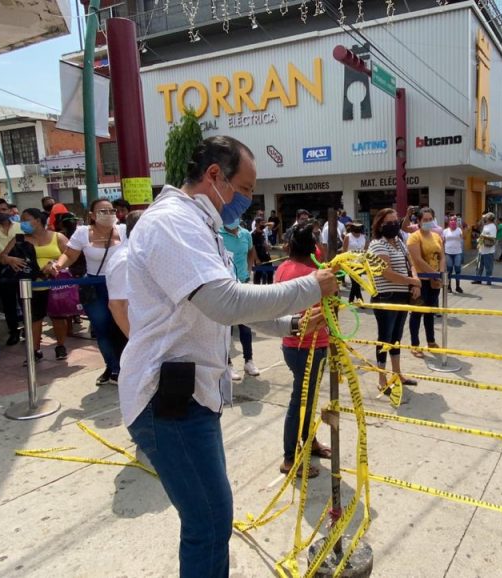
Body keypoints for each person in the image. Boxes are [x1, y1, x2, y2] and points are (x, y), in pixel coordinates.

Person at [119, 135, 337, 576]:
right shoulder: (172, 223)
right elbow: (226, 302)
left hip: (191, 396)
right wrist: (311, 286)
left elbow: (224, 310)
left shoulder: (203, 226)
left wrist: (291, 324)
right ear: (215, 176)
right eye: (246, 188)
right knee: (209, 522)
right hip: (167, 402)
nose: (250, 201)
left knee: (211, 519)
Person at [274, 222, 333, 477]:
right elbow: (326, 309)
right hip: (309, 346)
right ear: (313, 248)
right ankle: (289, 458)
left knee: (306, 401)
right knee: (300, 403)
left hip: (292, 345)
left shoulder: (283, 268)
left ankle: (311, 442)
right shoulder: (312, 275)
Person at [49, 199, 128, 386]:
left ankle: (127, 367)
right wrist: (58, 265)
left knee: (123, 327)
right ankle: (113, 367)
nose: (108, 214)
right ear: (91, 215)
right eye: (102, 211)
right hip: (95, 287)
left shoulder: (125, 230)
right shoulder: (83, 233)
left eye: (111, 210)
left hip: (123, 286)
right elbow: (69, 254)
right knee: (102, 328)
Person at [0, 208, 72, 364]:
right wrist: (11, 259)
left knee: (58, 317)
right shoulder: (19, 239)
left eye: (25, 219)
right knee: (34, 319)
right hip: (30, 285)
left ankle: (60, 345)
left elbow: (71, 255)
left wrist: (55, 264)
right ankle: (34, 351)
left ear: (38, 220)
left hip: (55, 284)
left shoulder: (57, 237)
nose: (22, 223)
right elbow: (2, 257)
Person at [368, 208, 422, 390]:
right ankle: (381, 379)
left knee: (397, 337)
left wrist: (415, 283)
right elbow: (387, 273)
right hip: (386, 296)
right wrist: (412, 280)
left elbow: (410, 264)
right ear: (380, 225)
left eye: (395, 221)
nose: (393, 225)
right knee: (385, 338)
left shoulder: (399, 242)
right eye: (388, 222)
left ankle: (397, 373)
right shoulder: (377, 245)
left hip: (402, 295)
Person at [221, 216, 260, 380]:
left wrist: (249, 269)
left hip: (243, 283)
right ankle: (228, 364)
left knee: (246, 326)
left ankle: (249, 361)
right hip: (226, 286)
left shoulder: (246, 234)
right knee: (226, 330)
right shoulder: (217, 234)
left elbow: (251, 251)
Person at [406, 207, 444, 356]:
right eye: (425, 220)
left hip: (435, 280)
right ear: (419, 221)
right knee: (417, 313)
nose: (428, 222)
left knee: (430, 312)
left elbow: (442, 256)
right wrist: (434, 274)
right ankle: (415, 345)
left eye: (430, 219)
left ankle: (431, 341)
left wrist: (441, 274)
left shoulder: (436, 236)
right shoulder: (414, 237)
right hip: (420, 280)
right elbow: (417, 259)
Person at [0, 198, 24, 346]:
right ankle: (13, 332)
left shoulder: (21, 227)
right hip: (2, 269)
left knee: (25, 300)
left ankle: (30, 331)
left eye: (4, 209)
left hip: (22, 266)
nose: (1, 213)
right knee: (8, 303)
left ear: (10, 211)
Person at [107, 210, 144, 337]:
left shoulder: (136, 254)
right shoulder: (127, 260)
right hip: (139, 334)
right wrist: (134, 339)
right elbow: (118, 305)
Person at [343, 221, 368, 302]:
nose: (357, 229)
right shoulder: (348, 237)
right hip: (350, 262)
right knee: (355, 282)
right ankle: (360, 299)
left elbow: (365, 250)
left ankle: (351, 300)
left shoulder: (363, 237)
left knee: (357, 281)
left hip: (360, 263)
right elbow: (344, 251)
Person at [473, 213, 498, 285]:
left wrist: (483, 237)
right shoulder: (485, 226)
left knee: (488, 266)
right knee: (479, 265)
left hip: (489, 250)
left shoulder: (493, 226)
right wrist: (479, 241)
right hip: (482, 249)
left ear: (489, 218)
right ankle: (478, 279)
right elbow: (482, 235)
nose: (484, 218)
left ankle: (488, 280)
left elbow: (492, 237)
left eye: (486, 217)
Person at [442, 216, 465, 293]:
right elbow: (443, 241)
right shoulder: (445, 231)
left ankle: (458, 286)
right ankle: (449, 287)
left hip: (457, 253)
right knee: (449, 270)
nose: (453, 221)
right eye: (451, 220)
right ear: (449, 221)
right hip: (448, 253)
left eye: (454, 220)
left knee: (458, 270)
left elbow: (463, 238)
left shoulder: (459, 230)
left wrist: (461, 227)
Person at [252, 217, 275, 285]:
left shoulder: (263, 232)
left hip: (266, 257)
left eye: (264, 223)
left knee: (270, 273)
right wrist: (256, 259)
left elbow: (272, 224)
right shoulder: (253, 234)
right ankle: (257, 291)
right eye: (261, 223)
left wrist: (268, 246)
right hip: (259, 258)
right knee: (258, 276)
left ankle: (270, 289)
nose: (264, 225)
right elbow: (253, 248)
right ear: (256, 224)